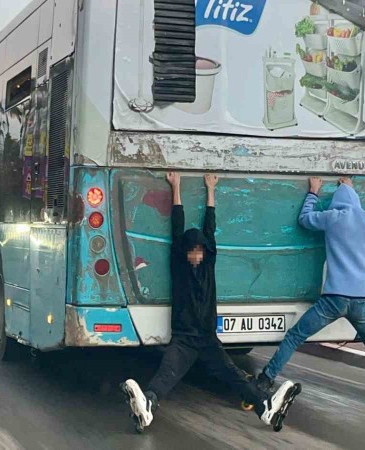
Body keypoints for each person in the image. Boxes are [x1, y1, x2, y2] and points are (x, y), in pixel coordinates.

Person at [121, 172, 302, 433]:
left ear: (205, 251)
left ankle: (266, 408)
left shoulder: (209, 264)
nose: (196, 254)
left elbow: (210, 227)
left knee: (233, 375)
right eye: (192, 250)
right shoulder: (179, 264)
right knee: (166, 375)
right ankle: (147, 406)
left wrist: (211, 190)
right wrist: (176, 187)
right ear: (185, 251)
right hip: (183, 339)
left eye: (200, 250)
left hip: (207, 339)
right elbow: (177, 225)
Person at [256, 177, 365, 400]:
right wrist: (348, 187)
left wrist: (313, 193)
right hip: (361, 300)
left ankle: (266, 379)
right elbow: (361, 205)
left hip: (334, 299)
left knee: (295, 336)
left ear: (336, 201)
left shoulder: (332, 218)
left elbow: (304, 219)